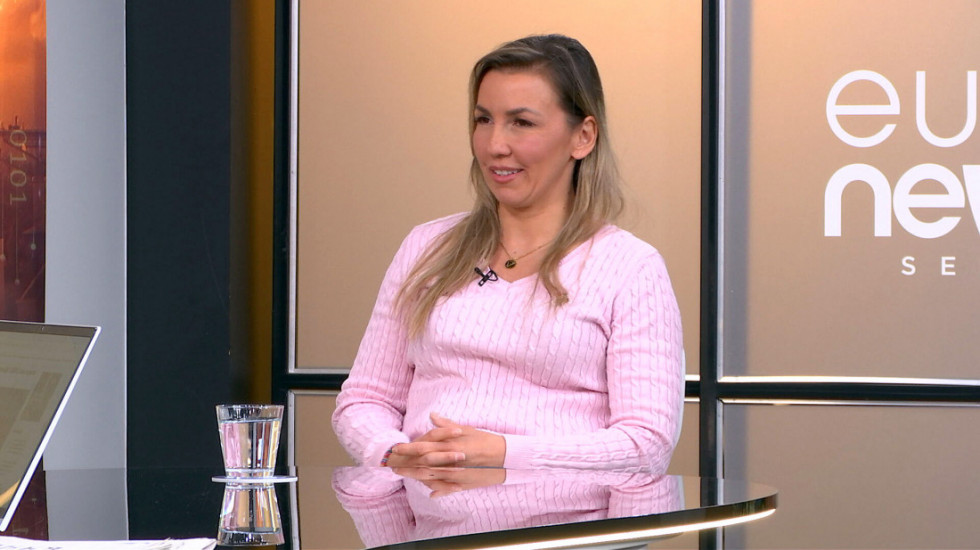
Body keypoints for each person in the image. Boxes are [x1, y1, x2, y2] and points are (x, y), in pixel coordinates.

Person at [332, 34, 684, 473]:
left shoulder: (631, 268)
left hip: (570, 515)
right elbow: (365, 400)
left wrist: (504, 454)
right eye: (483, 120)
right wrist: (393, 453)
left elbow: (646, 444)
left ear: (583, 137)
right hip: (425, 508)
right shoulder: (427, 247)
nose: (495, 145)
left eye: (521, 122)